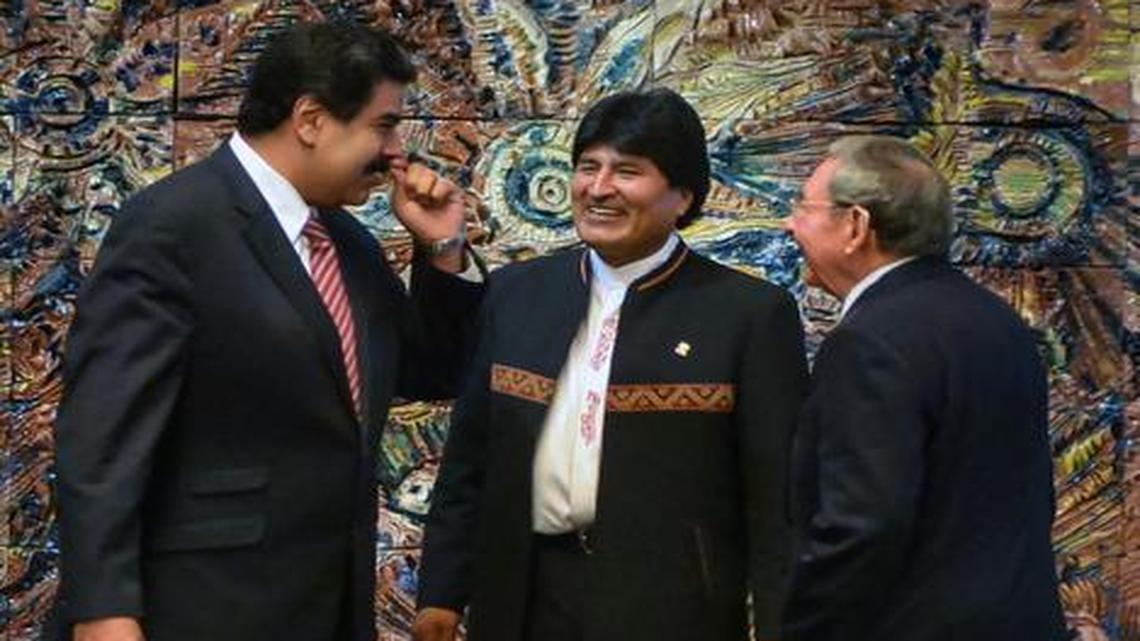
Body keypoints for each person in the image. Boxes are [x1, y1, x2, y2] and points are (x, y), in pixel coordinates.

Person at [54, 22, 483, 641]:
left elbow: (429, 372)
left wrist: (443, 248)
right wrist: (104, 611)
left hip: (326, 603)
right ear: (310, 119)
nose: (396, 153)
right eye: (384, 126)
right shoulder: (173, 226)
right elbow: (101, 438)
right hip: (202, 605)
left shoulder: (346, 242)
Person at [412, 88, 807, 641]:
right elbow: (469, 464)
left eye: (627, 171)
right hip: (524, 595)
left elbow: (778, 507)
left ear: (683, 197)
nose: (598, 189)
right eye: (587, 167)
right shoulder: (518, 294)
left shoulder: (748, 315)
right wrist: (440, 596)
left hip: (672, 606)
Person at [781, 135, 1069, 641]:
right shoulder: (998, 321)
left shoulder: (869, 342)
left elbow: (863, 525)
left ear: (855, 226)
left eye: (802, 207)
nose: (789, 224)